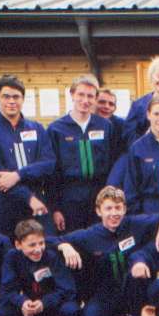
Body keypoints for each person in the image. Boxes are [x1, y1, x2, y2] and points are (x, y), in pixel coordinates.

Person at [55, 186, 159, 316]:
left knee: (136, 277)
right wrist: (64, 245)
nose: (114, 213)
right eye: (108, 208)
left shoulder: (135, 223)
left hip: (136, 285)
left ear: (124, 209)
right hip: (107, 292)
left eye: (118, 208)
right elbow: (51, 240)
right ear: (99, 211)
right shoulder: (89, 235)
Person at [0, 75, 56, 237]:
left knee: (40, 246)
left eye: (16, 97)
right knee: (3, 248)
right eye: (6, 96)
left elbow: (48, 163)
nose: (11, 101)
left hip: (35, 202)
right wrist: (28, 198)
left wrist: (18, 175)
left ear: (23, 99)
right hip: (1, 201)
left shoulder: (37, 129)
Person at [0, 219, 80, 316]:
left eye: (41, 243)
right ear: (18, 245)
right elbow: (8, 289)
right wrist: (22, 302)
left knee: (71, 309)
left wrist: (44, 303)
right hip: (28, 308)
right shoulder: (12, 258)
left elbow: (67, 289)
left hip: (51, 304)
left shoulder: (51, 256)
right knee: (4, 312)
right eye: (32, 245)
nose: (38, 249)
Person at [47, 75, 118, 233]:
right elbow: (51, 173)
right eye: (81, 94)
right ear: (72, 94)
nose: (85, 100)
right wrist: (55, 209)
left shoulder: (105, 126)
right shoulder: (56, 129)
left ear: (95, 99)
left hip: (100, 195)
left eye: (90, 96)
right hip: (69, 197)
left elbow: (113, 162)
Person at [96, 88, 127, 155]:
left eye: (111, 104)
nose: (107, 106)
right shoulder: (84, 124)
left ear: (115, 108)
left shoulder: (122, 126)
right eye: (102, 102)